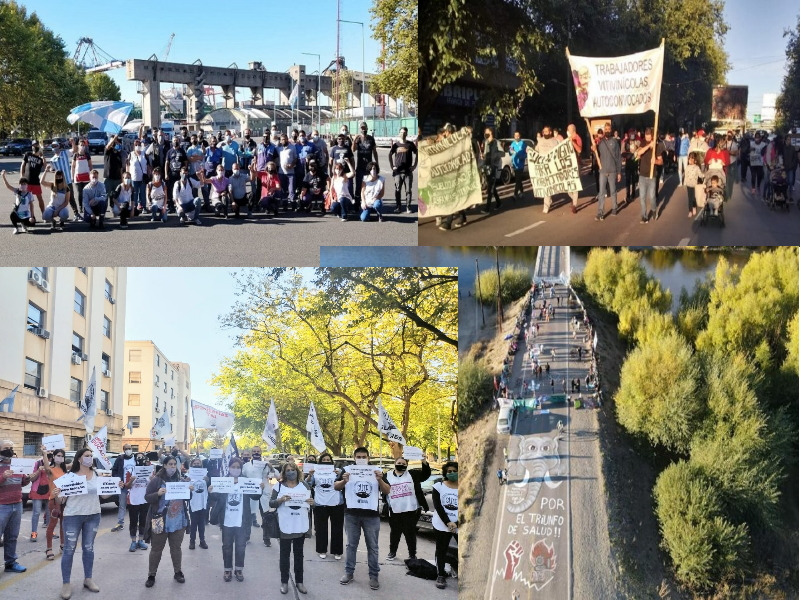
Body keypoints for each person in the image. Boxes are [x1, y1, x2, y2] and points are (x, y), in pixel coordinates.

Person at [53, 448, 118, 599]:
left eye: (91, 456)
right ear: (79, 459)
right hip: (72, 516)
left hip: (93, 515)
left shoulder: (96, 474)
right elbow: (61, 500)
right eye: (86, 456)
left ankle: (88, 579)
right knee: (69, 550)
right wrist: (56, 496)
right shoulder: (68, 476)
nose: (89, 458)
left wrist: (116, 487)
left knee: (88, 548)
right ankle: (66, 583)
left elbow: (104, 495)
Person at [334, 447, 391, 590]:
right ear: (354, 458)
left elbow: (387, 490)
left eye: (363, 456)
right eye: (358, 457)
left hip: (371, 515)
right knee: (351, 545)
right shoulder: (347, 470)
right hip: (351, 514)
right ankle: (349, 573)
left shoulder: (376, 471)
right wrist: (344, 481)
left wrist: (380, 480)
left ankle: (373, 576)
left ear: (368, 458)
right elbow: (336, 486)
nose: (361, 459)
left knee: (373, 547)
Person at [208, 457, 264, 582]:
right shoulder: (224, 481)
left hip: (242, 521)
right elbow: (216, 496)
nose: (235, 469)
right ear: (228, 468)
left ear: (241, 469)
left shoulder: (246, 481)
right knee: (227, 546)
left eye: (238, 467)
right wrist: (211, 491)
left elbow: (255, 496)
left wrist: (261, 488)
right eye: (233, 467)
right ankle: (227, 570)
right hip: (227, 521)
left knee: (240, 547)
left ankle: (239, 569)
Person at [143, 454, 191, 588]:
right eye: (170, 464)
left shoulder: (180, 480)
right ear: (164, 465)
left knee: (176, 548)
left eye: (174, 464)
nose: (172, 467)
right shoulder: (156, 480)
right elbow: (147, 497)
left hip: (178, 521)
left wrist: (189, 491)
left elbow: (187, 498)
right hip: (160, 520)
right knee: (156, 549)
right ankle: (151, 575)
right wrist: (157, 494)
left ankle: (178, 572)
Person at [270, 462, 314, 595]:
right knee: (284, 555)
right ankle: (284, 582)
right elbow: (271, 503)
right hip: (285, 524)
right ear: (284, 472)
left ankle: (299, 582)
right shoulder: (278, 486)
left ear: (297, 471)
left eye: (293, 470)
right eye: (288, 470)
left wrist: (313, 503)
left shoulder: (305, 485)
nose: (291, 472)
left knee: (299, 555)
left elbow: (311, 504)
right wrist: (280, 500)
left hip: (300, 524)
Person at [383, 455, 430, 562]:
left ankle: (412, 554)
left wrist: (424, 461)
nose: (401, 465)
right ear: (395, 464)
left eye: (403, 464)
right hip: (394, 509)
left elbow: (425, 475)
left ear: (407, 465)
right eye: (399, 463)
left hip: (411, 509)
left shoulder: (413, 474)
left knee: (410, 533)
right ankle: (392, 552)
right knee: (395, 532)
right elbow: (381, 486)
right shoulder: (387, 475)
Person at [0, 439, 30, 575]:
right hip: (2, 506)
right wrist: (2, 477)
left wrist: (29, 477)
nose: (10, 450)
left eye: (11, 447)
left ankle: (10, 563)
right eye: (6, 448)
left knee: (12, 536)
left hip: (17, 504)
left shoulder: (17, 464)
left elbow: (22, 482)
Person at [307, 452, 343, 560]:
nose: (326, 462)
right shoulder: (316, 473)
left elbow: (345, 482)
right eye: (324, 460)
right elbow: (307, 484)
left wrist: (340, 473)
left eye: (328, 460)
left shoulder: (337, 472)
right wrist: (310, 475)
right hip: (320, 503)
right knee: (321, 528)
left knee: (337, 528)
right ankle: (322, 550)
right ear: (320, 462)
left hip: (337, 503)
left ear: (332, 462)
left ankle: (337, 551)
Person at [432, 462, 459, 590]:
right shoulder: (439, 486)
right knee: (441, 550)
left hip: (459, 525)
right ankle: (441, 575)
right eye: (449, 471)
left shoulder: (464, 487)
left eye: (454, 470)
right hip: (441, 524)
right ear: (445, 473)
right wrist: (448, 522)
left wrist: (457, 523)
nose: (452, 473)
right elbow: (438, 507)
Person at [632, 128, 665, 224]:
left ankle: (654, 210)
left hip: (652, 176)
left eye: (649, 135)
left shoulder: (657, 146)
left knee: (652, 197)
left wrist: (656, 161)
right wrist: (648, 146)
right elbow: (638, 153)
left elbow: (661, 161)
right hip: (642, 175)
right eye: (646, 135)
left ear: (652, 136)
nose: (647, 137)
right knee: (642, 197)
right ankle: (644, 216)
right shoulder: (642, 143)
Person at [43, 447, 67, 561]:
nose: (60, 458)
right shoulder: (51, 470)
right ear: (54, 457)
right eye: (58, 455)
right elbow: (46, 467)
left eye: (62, 456)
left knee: (63, 524)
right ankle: (49, 548)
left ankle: (63, 545)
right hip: (54, 500)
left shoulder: (65, 470)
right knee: (52, 524)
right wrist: (44, 453)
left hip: (65, 500)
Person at [595, 122, 622, 220]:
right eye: (605, 129)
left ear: (611, 130)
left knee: (613, 191)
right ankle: (600, 212)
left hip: (612, 171)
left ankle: (614, 207)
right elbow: (597, 155)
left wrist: (619, 172)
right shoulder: (600, 142)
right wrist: (593, 149)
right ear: (603, 130)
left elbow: (618, 157)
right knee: (601, 192)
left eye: (608, 129)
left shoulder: (614, 142)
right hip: (602, 171)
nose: (607, 131)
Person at [123, 452, 149, 553]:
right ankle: (133, 541)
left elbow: (152, 485)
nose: (140, 459)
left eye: (142, 458)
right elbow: (127, 486)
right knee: (133, 521)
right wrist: (131, 481)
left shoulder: (149, 470)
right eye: (138, 457)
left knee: (143, 521)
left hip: (144, 500)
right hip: (133, 500)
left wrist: (152, 479)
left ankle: (141, 540)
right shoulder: (130, 470)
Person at [49, 143, 80, 221]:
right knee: (59, 199)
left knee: (71, 198)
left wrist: (73, 142)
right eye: (52, 146)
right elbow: (52, 170)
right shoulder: (52, 160)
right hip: (59, 183)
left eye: (55, 146)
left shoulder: (65, 153)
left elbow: (75, 150)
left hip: (68, 181)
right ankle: (60, 215)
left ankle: (76, 214)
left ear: (59, 146)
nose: (54, 148)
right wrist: (50, 169)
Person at [389, 127, 417, 213]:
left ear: (407, 133)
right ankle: (398, 207)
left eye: (404, 132)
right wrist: (392, 166)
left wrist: (414, 165)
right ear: (399, 133)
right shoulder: (396, 145)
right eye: (401, 132)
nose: (403, 134)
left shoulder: (410, 144)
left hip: (408, 172)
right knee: (398, 190)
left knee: (408, 190)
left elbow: (417, 154)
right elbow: (390, 155)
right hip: (397, 172)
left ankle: (408, 207)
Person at [352, 122, 379, 208]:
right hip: (360, 166)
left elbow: (374, 151)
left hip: (369, 167)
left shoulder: (371, 139)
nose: (363, 129)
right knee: (358, 186)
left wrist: (377, 163)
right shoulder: (358, 139)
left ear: (367, 128)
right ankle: (356, 205)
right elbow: (353, 150)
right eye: (362, 128)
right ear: (360, 129)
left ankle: (369, 204)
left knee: (369, 185)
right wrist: (354, 140)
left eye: (364, 128)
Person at [110, 444, 136, 533]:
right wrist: (119, 480)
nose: (128, 450)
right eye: (126, 449)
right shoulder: (120, 459)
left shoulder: (135, 458)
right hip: (123, 486)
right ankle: (120, 523)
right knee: (122, 505)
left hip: (135, 486)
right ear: (123, 450)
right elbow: (114, 471)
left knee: (135, 505)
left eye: (130, 448)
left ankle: (136, 523)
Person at [187, 456, 210, 550]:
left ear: (201, 465)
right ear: (192, 465)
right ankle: (192, 541)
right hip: (193, 503)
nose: (196, 465)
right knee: (193, 524)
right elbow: (184, 489)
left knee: (202, 524)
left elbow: (209, 488)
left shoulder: (205, 475)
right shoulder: (188, 476)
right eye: (195, 464)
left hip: (203, 502)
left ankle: (202, 541)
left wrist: (208, 481)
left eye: (198, 463)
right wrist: (186, 483)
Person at [40, 167, 71, 231]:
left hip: (61, 207)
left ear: (62, 177)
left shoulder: (66, 188)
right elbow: (42, 182)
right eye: (57, 177)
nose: (58, 178)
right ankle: (53, 221)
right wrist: (46, 171)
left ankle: (61, 221)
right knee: (45, 216)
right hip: (52, 206)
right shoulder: (52, 185)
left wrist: (57, 210)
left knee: (65, 214)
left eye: (60, 177)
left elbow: (66, 202)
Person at [21, 140, 46, 220]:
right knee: (27, 200)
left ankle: (44, 215)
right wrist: (22, 177)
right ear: (32, 146)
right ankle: (31, 216)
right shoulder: (28, 154)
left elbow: (45, 167)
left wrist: (43, 156)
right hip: (27, 181)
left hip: (35, 181)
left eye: (36, 145)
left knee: (40, 198)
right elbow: (23, 165)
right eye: (33, 145)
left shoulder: (40, 158)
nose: (35, 146)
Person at [481, 127, 504, 213]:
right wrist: (484, 157)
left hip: (493, 166)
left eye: (486, 131)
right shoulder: (485, 142)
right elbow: (484, 153)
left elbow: (502, 153)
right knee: (491, 186)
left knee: (490, 187)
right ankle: (499, 203)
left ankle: (487, 208)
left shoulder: (496, 142)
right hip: (486, 166)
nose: (485, 133)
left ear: (491, 132)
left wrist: (494, 157)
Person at [329, 134, 356, 202]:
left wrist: (353, 169)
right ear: (337, 140)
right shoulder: (334, 149)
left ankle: (350, 203)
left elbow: (352, 160)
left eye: (342, 139)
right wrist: (330, 171)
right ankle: (338, 202)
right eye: (339, 139)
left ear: (345, 139)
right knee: (339, 189)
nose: (341, 140)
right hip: (338, 173)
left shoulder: (348, 148)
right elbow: (330, 161)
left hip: (347, 172)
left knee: (349, 188)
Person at [165, 137, 187, 212]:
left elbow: (186, 162)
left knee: (181, 189)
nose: (175, 142)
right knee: (171, 190)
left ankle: (180, 205)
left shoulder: (182, 151)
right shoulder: (169, 151)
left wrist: (185, 172)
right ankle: (171, 206)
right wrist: (166, 174)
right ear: (172, 142)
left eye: (177, 141)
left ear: (179, 141)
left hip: (180, 174)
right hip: (172, 174)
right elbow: (167, 163)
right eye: (174, 141)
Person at [128, 138, 149, 214]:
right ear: (134, 146)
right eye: (136, 145)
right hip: (134, 178)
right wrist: (127, 176)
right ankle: (134, 207)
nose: (137, 146)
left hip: (143, 177)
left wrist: (149, 175)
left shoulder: (144, 154)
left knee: (142, 193)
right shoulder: (131, 154)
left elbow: (148, 165)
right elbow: (128, 165)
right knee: (134, 193)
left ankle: (144, 207)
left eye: (139, 145)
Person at [278, 134, 298, 210]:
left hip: (290, 172)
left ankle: (293, 205)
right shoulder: (278, 148)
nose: (284, 141)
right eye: (282, 139)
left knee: (291, 189)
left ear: (287, 139)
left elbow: (296, 158)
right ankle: (285, 205)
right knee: (283, 190)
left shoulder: (292, 147)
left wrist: (292, 165)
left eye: (285, 139)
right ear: (280, 140)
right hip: (281, 172)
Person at [71, 138, 93, 212]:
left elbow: (90, 165)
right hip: (77, 177)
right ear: (78, 146)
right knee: (80, 193)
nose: (82, 146)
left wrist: (91, 175)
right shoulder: (75, 155)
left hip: (86, 177)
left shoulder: (87, 155)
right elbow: (73, 166)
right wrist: (72, 176)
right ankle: (80, 206)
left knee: (86, 192)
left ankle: (86, 206)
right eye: (81, 145)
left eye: (83, 145)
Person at [565, 124, 583, 213]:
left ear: (573, 130)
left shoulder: (578, 138)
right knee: (568, 186)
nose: (567, 131)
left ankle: (574, 205)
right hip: (568, 165)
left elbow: (579, 150)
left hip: (576, 164)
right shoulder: (567, 139)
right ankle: (573, 199)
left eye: (568, 129)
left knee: (575, 185)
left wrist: (572, 142)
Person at [103, 134, 124, 206]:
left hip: (117, 178)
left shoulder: (118, 152)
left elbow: (120, 167)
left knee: (116, 195)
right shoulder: (107, 151)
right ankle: (103, 212)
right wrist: (114, 138)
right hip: (108, 178)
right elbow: (108, 146)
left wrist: (122, 180)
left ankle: (115, 209)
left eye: (114, 141)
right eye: (112, 141)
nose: (113, 142)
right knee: (106, 195)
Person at [621, 129, 640, 204]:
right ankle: (628, 195)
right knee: (628, 180)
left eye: (633, 133)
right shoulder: (625, 142)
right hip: (628, 163)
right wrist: (627, 155)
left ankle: (634, 193)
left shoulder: (638, 142)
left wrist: (637, 153)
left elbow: (640, 150)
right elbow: (622, 152)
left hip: (635, 162)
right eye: (630, 133)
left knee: (634, 179)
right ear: (628, 134)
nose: (632, 134)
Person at [509, 131, 527, 202]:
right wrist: (511, 151)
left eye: (518, 136)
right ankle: (522, 192)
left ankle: (515, 194)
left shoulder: (523, 144)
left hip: (520, 164)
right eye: (515, 136)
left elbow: (526, 154)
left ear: (520, 136)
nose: (516, 137)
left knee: (517, 180)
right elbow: (510, 152)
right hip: (514, 164)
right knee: (518, 179)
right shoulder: (512, 143)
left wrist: (521, 156)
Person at [748, 132, 767, 196]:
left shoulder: (763, 144)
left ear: (760, 138)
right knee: (753, 176)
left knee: (759, 176)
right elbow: (747, 150)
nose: (757, 139)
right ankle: (753, 188)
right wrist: (750, 149)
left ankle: (758, 186)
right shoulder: (751, 143)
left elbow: (764, 152)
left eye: (758, 137)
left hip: (760, 163)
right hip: (752, 163)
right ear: (754, 138)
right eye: (756, 137)